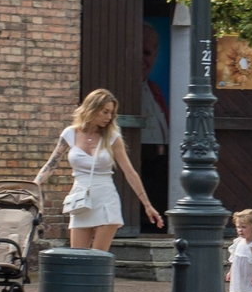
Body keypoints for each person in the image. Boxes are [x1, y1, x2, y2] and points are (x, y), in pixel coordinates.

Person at [36, 89, 160, 252]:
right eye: (105, 112)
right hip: (80, 199)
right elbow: (51, 164)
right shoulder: (70, 133)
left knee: (98, 258)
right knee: (77, 257)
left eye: (112, 113)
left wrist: (147, 205)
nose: (109, 117)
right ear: (92, 109)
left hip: (106, 199)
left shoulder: (113, 138)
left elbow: (130, 172)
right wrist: (33, 185)